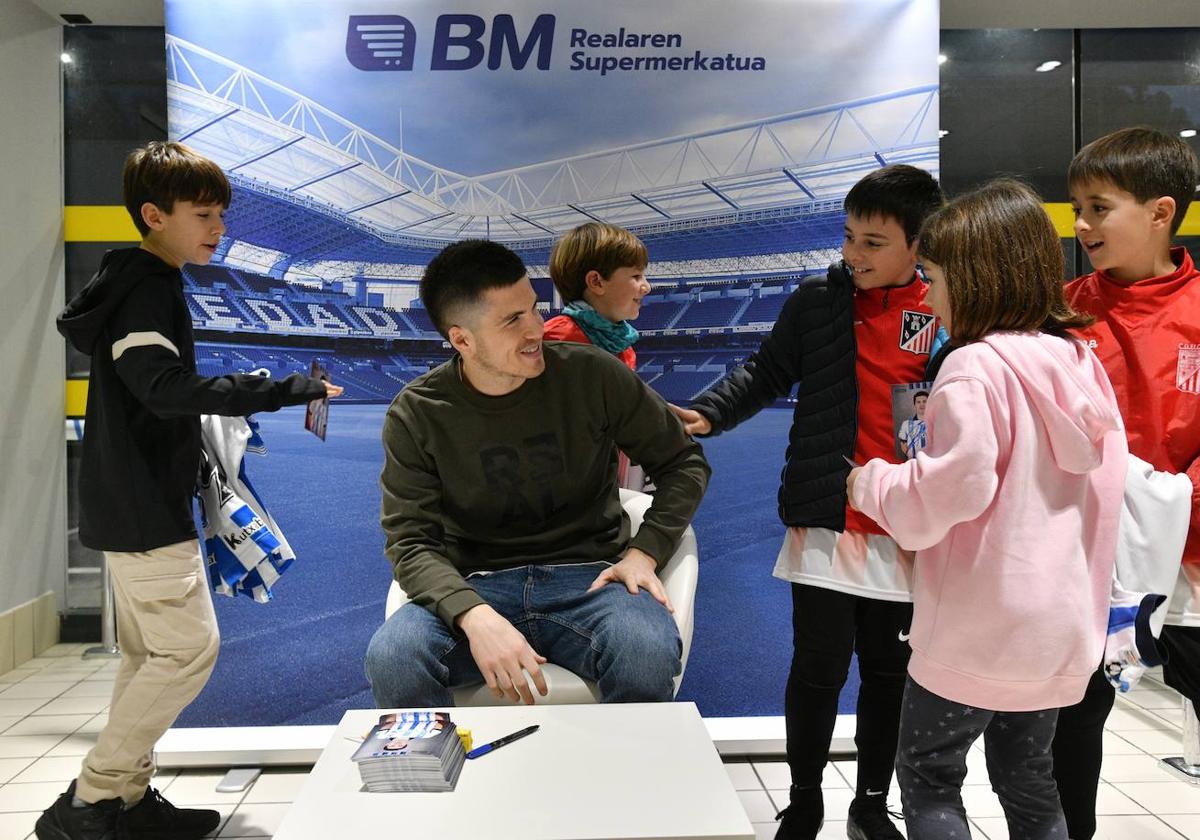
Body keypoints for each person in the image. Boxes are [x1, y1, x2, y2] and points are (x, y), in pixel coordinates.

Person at [43, 141, 342, 840]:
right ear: (154, 215)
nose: (217, 227)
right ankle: (88, 802)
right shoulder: (145, 285)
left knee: (151, 657)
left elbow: (153, 394)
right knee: (186, 652)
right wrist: (278, 389)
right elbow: (163, 389)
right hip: (141, 505)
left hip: (134, 497)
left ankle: (122, 802)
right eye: (203, 213)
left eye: (221, 213)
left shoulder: (144, 280)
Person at [847, 179, 1127, 840]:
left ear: (974, 280)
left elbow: (947, 494)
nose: (930, 296)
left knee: (930, 774)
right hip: (1058, 629)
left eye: (936, 280)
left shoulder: (973, 369)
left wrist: (872, 484)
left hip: (977, 628)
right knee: (1029, 778)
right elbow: (1111, 486)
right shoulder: (1078, 359)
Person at [671, 164, 944, 840]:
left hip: (905, 521)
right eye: (849, 237)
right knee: (817, 669)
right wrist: (709, 413)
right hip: (825, 514)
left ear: (919, 244)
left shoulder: (940, 309)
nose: (854, 255)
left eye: (874, 242)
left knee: (889, 674)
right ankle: (806, 802)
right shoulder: (814, 303)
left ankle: (872, 804)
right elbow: (765, 372)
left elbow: (937, 405)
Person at [364, 239, 709, 709]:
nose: (536, 329)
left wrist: (644, 554)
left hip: (591, 579)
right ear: (462, 339)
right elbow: (410, 541)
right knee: (395, 660)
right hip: (475, 580)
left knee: (644, 652)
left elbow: (684, 462)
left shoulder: (594, 375)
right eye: (512, 320)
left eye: (532, 308)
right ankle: (452, 782)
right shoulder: (418, 413)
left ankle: (620, 778)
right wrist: (473, 614)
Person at [1051, 126, 1200, 840]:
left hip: (1195, 566)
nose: (1080, 226)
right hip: (1090, 571)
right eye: (1077, 207)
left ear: (1162, 211)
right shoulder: (1058, 311)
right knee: (1071, 725)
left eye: (1098, 208)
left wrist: (1174, 510)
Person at [544, 221, 652, 489]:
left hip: (609, 480)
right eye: (636, 276)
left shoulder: (624, 347)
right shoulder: (555, 341)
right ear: (596, 282)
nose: (646, 286)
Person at [897, 391, 928, 459]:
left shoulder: (936, 422)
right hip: (913, 462)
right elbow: (903, 443)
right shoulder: (906, 424)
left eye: (924, 401)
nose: (921, 404)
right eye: (918, 402)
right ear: (915, 405)